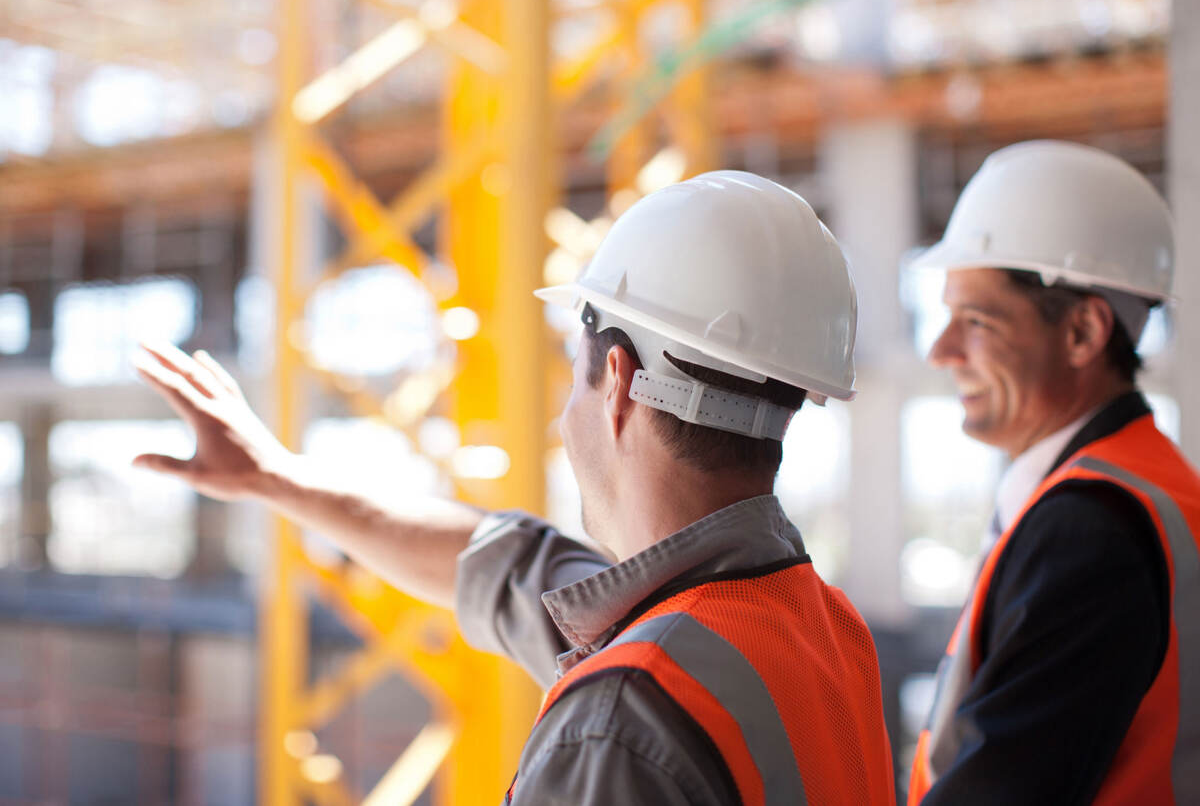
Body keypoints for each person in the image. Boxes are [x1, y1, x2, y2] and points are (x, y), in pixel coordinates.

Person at [134, 170, 896, 805]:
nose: (567, 418)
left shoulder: (622, 715)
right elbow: (505, 564)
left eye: (575, 376)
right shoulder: (817, 627)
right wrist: (279, 479)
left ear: (619, 383)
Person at [906, 140, 1200, 805]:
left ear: (1082, 333)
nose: (940, 350)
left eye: (976, 320)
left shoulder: (1089, 531)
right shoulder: (1154, 487)